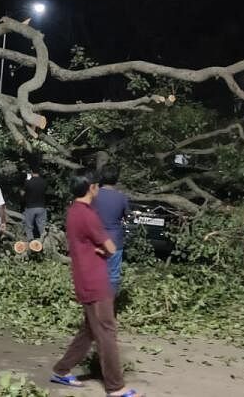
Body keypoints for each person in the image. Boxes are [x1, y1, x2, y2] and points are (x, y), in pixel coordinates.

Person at [49, 170, 141, 397]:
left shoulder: (74, 211)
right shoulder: (87, 215)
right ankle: (115, 387)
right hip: (95, 280)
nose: (98, 189)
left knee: (89, 330)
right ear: (91, 188)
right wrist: (103, 249)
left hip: (85, 276)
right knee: (106, 332)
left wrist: (98, 248)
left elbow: (89, 243)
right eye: (96, 186)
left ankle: (61, 370)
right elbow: (111, 247)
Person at [92, 165, 129, 294]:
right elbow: (126, 216)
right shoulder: (122, 197)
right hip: (115, 241)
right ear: (116, 179)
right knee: (113, 275)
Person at [22, 166, 47, 242]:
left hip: (30, 207)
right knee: (42, 227)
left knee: (29, 227)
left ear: (31, 172)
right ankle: (44, 243)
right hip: (42, 207)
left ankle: (31, 243)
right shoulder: (44, 182)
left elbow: (23, 193)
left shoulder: (28, 182)